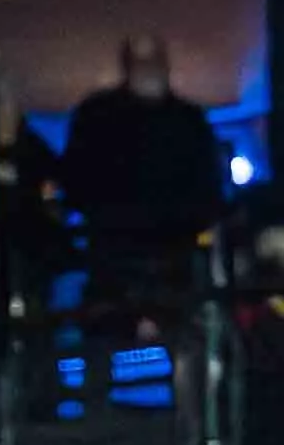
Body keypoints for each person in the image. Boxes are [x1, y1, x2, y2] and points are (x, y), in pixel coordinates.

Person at [57, 34, 234, 297]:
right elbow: (76, 178)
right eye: (141, 62)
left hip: (172, 256)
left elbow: (209, 183)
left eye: (153, 61)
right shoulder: (97, 115)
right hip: (116, 256)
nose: (148, 69)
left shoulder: (188, 120)